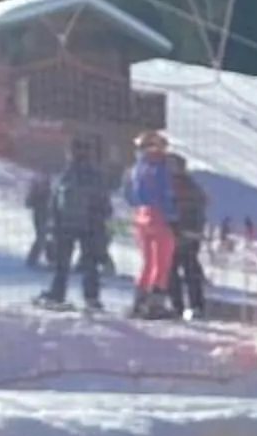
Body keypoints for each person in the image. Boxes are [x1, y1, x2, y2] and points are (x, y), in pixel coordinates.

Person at [36, 137, 111, 314]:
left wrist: (52, 222)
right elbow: (104, 201)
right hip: (83, 225)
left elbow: (56, 200)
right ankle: (87, 297)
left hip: (72, 225)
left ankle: (62, 294)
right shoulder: (88, 175)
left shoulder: (69, 174)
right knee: (84, 263)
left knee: (68, 263)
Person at [124, 131, 177, 320]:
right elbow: (165, 193)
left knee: (147, 263)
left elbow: (129, 194)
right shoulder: (160, 168)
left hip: (141, 216)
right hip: (159, 217)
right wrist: (172, 215)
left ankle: (139, 302)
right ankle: (155, 304)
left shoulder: (135, 169)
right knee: (161, 263)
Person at [167, 152, 210, 320]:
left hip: (186, 235)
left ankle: (195, 305)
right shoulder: (167, 185)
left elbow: (198, 209)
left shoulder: (188, 187)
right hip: (174, 234)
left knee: (189, 270)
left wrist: (193, 230)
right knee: (172, 271)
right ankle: (177, 304)